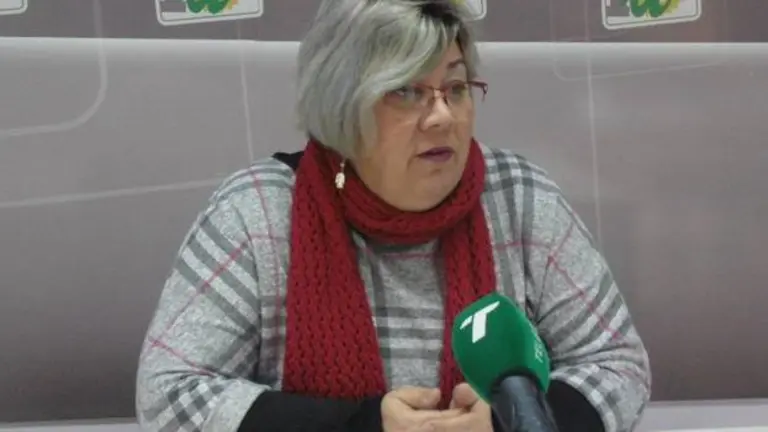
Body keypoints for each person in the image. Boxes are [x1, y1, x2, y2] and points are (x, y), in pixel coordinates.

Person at [135, 0, 651, 430]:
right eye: (406, 91)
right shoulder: (260, 212)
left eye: (455, 88)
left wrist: (507, 421)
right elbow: (169, 396)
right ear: (342, 104)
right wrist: (361, 427)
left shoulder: (519, 197)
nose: (443, 115)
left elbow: (617, 365)